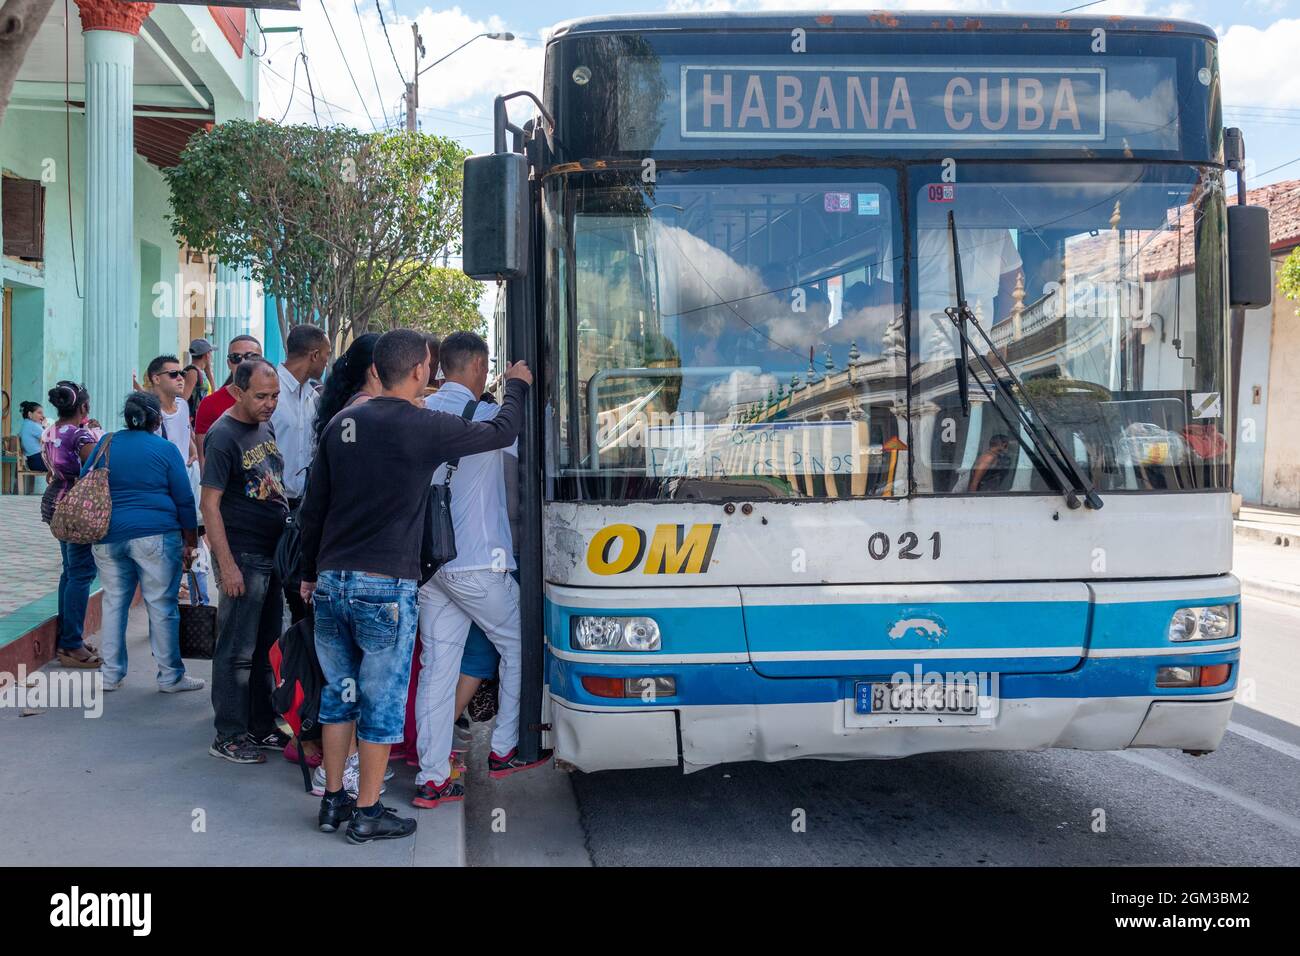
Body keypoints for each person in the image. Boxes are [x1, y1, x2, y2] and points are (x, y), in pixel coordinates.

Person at [297, 328, 532, 843]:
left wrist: (310, 575)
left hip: (333, 580)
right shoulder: (424, 425)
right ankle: (368, 811)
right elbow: (502, 430)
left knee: (340, 695)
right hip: (386, 584)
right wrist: (515, 385)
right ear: (423, 370)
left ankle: (334, 802)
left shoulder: (341, 423)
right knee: (380, 702)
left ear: (375, 370)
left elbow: (314, 509)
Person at [414, 331, 548, 810]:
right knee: (519, 644)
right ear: (477, 367)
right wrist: (518, 385)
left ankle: (432, 778)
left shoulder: (420, 415)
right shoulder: (493, 418)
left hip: (433, 568)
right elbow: (516, 451)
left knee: (437, 670)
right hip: (480, 564)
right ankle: (504, 749)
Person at [200, 358, 291, 764]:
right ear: (237, 392)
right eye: (261, 396)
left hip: (271, 554)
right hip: (244, 556)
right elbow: (210, 505)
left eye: (274, 396)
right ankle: (229, 735)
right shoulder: (222, 436)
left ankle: (261, 724)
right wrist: (228, 565)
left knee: (265, 646)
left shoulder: (264, 425)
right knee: (236, 649)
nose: (270, 403)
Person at [86, 392, 203, 693]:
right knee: (162, 605)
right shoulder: (164, 449)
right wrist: (190, 539)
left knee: (113, 603)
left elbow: (86, 481)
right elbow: (184, 498)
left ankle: (110, 676)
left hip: (108, 535)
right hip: (156, 535)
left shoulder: (106, 443)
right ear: (156, 419)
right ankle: (170, 677)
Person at [39, 383, 102, 669]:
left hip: (53, 502)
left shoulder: (49, 431)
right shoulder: (80, 435)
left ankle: (69, 636)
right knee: (81, 572)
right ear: (84, 408)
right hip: (75, 507)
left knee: (70, 570)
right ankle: (71, 643)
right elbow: (94, 468)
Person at [194, 334, 262, 467]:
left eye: (251, 357)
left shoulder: (274, 400)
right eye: (236, 358)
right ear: (229, 363)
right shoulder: (209, 405)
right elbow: (205, 463)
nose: (243, 363)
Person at [183, 338, 217, 423]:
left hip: (202, 417)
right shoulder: (192, 372)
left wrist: (208, 371)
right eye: (211, 353)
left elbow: (213, 393)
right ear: (207, 355)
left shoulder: (202, 372)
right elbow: (183, 399)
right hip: (194, 420)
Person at [19, 401, 46, 472]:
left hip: (33, 462)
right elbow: (51, 439)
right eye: (39, 413)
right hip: (38, 461)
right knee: (67, 465)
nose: (42, 416)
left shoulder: (26, 423)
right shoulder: (32, 425)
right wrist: (46, 426)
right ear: (30, 414)